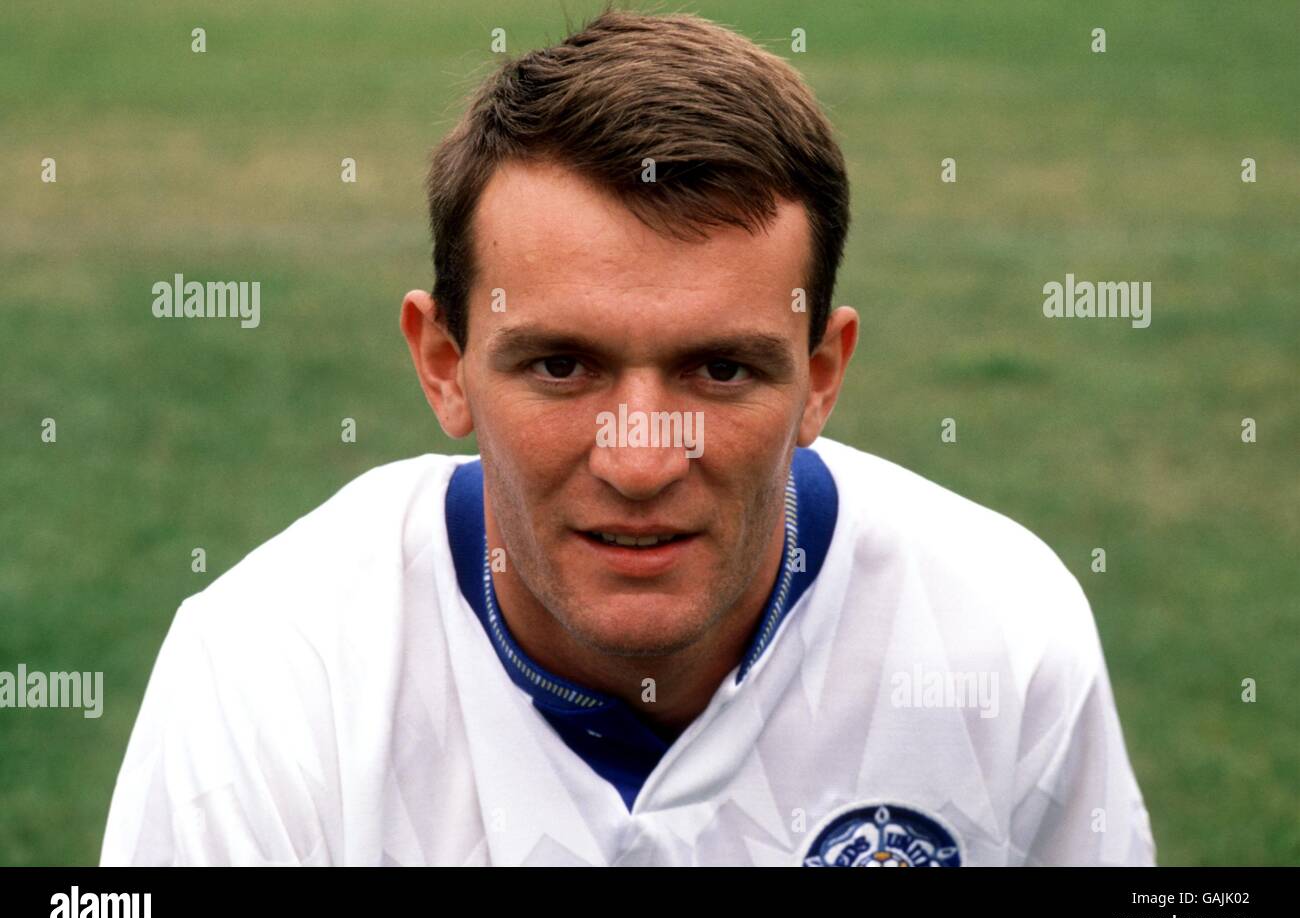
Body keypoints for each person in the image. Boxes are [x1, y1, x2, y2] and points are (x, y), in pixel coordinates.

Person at [101, 8, 1155, 866]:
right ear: (443, 363)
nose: (642, 458)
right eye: (561, 366)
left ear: (821, 377)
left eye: (722, 369)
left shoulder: (1000, 632)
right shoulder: (270, 673)